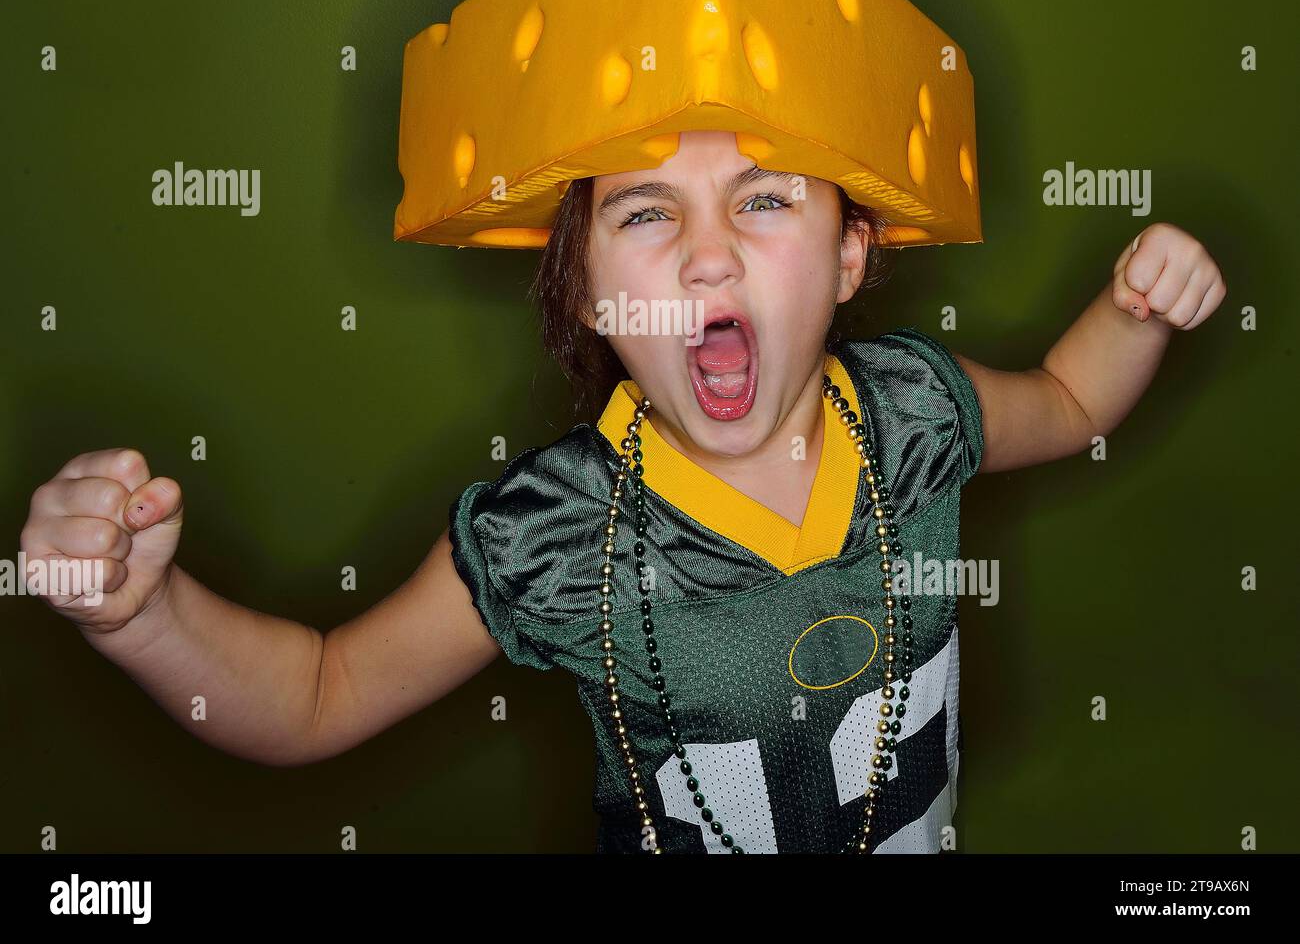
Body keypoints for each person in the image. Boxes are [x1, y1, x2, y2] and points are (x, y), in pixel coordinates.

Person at [19, 128, 1226, 853]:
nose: (710, 253)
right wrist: (143, 616)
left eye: (765, 197)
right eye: (647, 212)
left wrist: (1130, 315)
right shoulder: (553, 532)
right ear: (591, 293)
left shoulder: (915, 407)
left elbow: (1069, 403)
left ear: (853, 252)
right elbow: (314, 697)